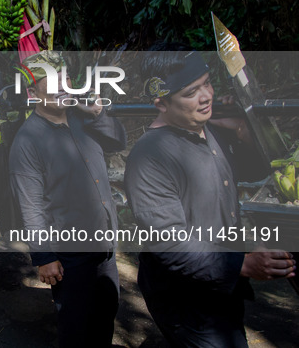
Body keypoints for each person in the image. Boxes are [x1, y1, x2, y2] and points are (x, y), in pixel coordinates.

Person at [124, 45, 297, 347]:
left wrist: (243, 132)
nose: (206, 96)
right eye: (191, 92)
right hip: (186, 301)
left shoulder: (208, 131)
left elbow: (231, 198)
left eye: (207, 83)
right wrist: (241, 264)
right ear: (161, 103)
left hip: (220, 286)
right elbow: (169, 241)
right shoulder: (149, 158)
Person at [8, 51, 127, 347]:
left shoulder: (82, 118)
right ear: (33, 92)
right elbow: (31, 204)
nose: (63, 86)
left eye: (65, 79)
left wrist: (99, 114)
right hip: (71, 252)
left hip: (105, 240)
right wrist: (45, 257)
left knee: (105, 311)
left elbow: (119, 142)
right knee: (75, 323)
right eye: (52, 80)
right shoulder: (27, 141)